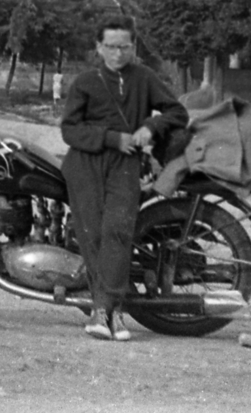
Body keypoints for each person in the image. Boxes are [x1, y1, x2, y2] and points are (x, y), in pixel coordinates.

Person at [60, 17, 189, 342]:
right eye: (111, 47)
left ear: (133, 47)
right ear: (99, 48)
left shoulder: (144, 78)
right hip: (86, 164)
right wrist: (111, 138)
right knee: (91, 235)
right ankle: (108, 312)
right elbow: (69, 129)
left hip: (126, 166)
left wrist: (150, 126)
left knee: (117, 231)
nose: (118, 53)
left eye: (125, 47)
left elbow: (177, 112)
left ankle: (106, 310)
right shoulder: (86, 81)